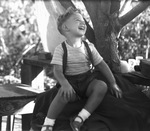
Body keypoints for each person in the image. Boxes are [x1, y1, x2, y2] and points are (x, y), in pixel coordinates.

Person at [41, 6, 122, 131]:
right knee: (62, 94)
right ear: (65, 28)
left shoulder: (88, 47)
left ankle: (80, 118)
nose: (82, 22)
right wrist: (65, 84)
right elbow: (57, 70)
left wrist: (113, 83)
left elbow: (101, 65)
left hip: (87, 82)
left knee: (101, 86)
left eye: (83, 21)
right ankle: (48, 123)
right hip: (71, 84)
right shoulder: (61, 49)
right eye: (77, 20)